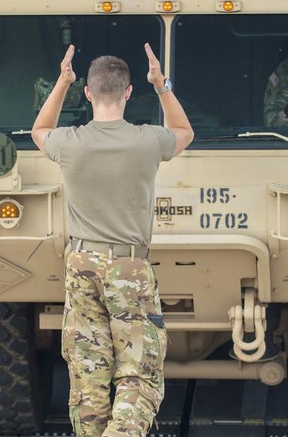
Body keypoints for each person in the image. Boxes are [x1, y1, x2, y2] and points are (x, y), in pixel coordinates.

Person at [32, 43, 194, 437]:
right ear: (128, 91)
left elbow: (39, 130)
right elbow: (184, 132)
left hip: (80, 265)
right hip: (129, 268)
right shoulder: (146, 140)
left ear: (87, 93)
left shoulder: (68, 142)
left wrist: (61, 81)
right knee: (139, 374)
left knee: (89, 373)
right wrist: (162, 84)